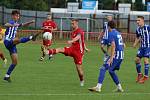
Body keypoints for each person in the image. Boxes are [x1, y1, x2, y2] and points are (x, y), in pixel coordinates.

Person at [43, 19, 89, 86]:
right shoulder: (73, 31)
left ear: (76, 23)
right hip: (72, 49)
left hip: (79, 52)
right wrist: (85, 47)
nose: (72, 25)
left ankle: (82, 80)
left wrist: (72, 41)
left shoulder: (80, 30)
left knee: (79, 71)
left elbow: (78, 37)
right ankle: (48, 52)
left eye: (73, 23)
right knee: (61, 49)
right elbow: (82, 41)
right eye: (71, 23)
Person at [88, 21, 124, 92]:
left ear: (109, 27)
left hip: (116, 55)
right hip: (121, 55)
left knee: (103, 68)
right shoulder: (117, 33)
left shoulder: (111, 33)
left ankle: (98, 87)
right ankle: (119, 88)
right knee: (111, 71)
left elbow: (113, 46)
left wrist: (111, 58)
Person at [3, 10, 38, 82]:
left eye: (18, 16)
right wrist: (13, 25)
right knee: (17, 39)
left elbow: (23, 25)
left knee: (15, 62)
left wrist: (30, 22)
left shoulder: (17, 24)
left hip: (12, 44)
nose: (17, 17)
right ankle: (31, 37)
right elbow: (5, 24)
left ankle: (7, 76)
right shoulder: (12, 22)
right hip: (7, 41)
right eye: (16, 15)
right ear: (12, 16)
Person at [133, 16, 150, 84]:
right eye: (137, 20)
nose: (137, 22)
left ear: (143, 20)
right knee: (136, 60)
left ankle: (146, 76)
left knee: (146, 61)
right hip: (141, 47)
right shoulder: (138, 29)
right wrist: (135, 44)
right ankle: (140, 74)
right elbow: (138, 37)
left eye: (139, 20)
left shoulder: (148, 27)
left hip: (148, 46)